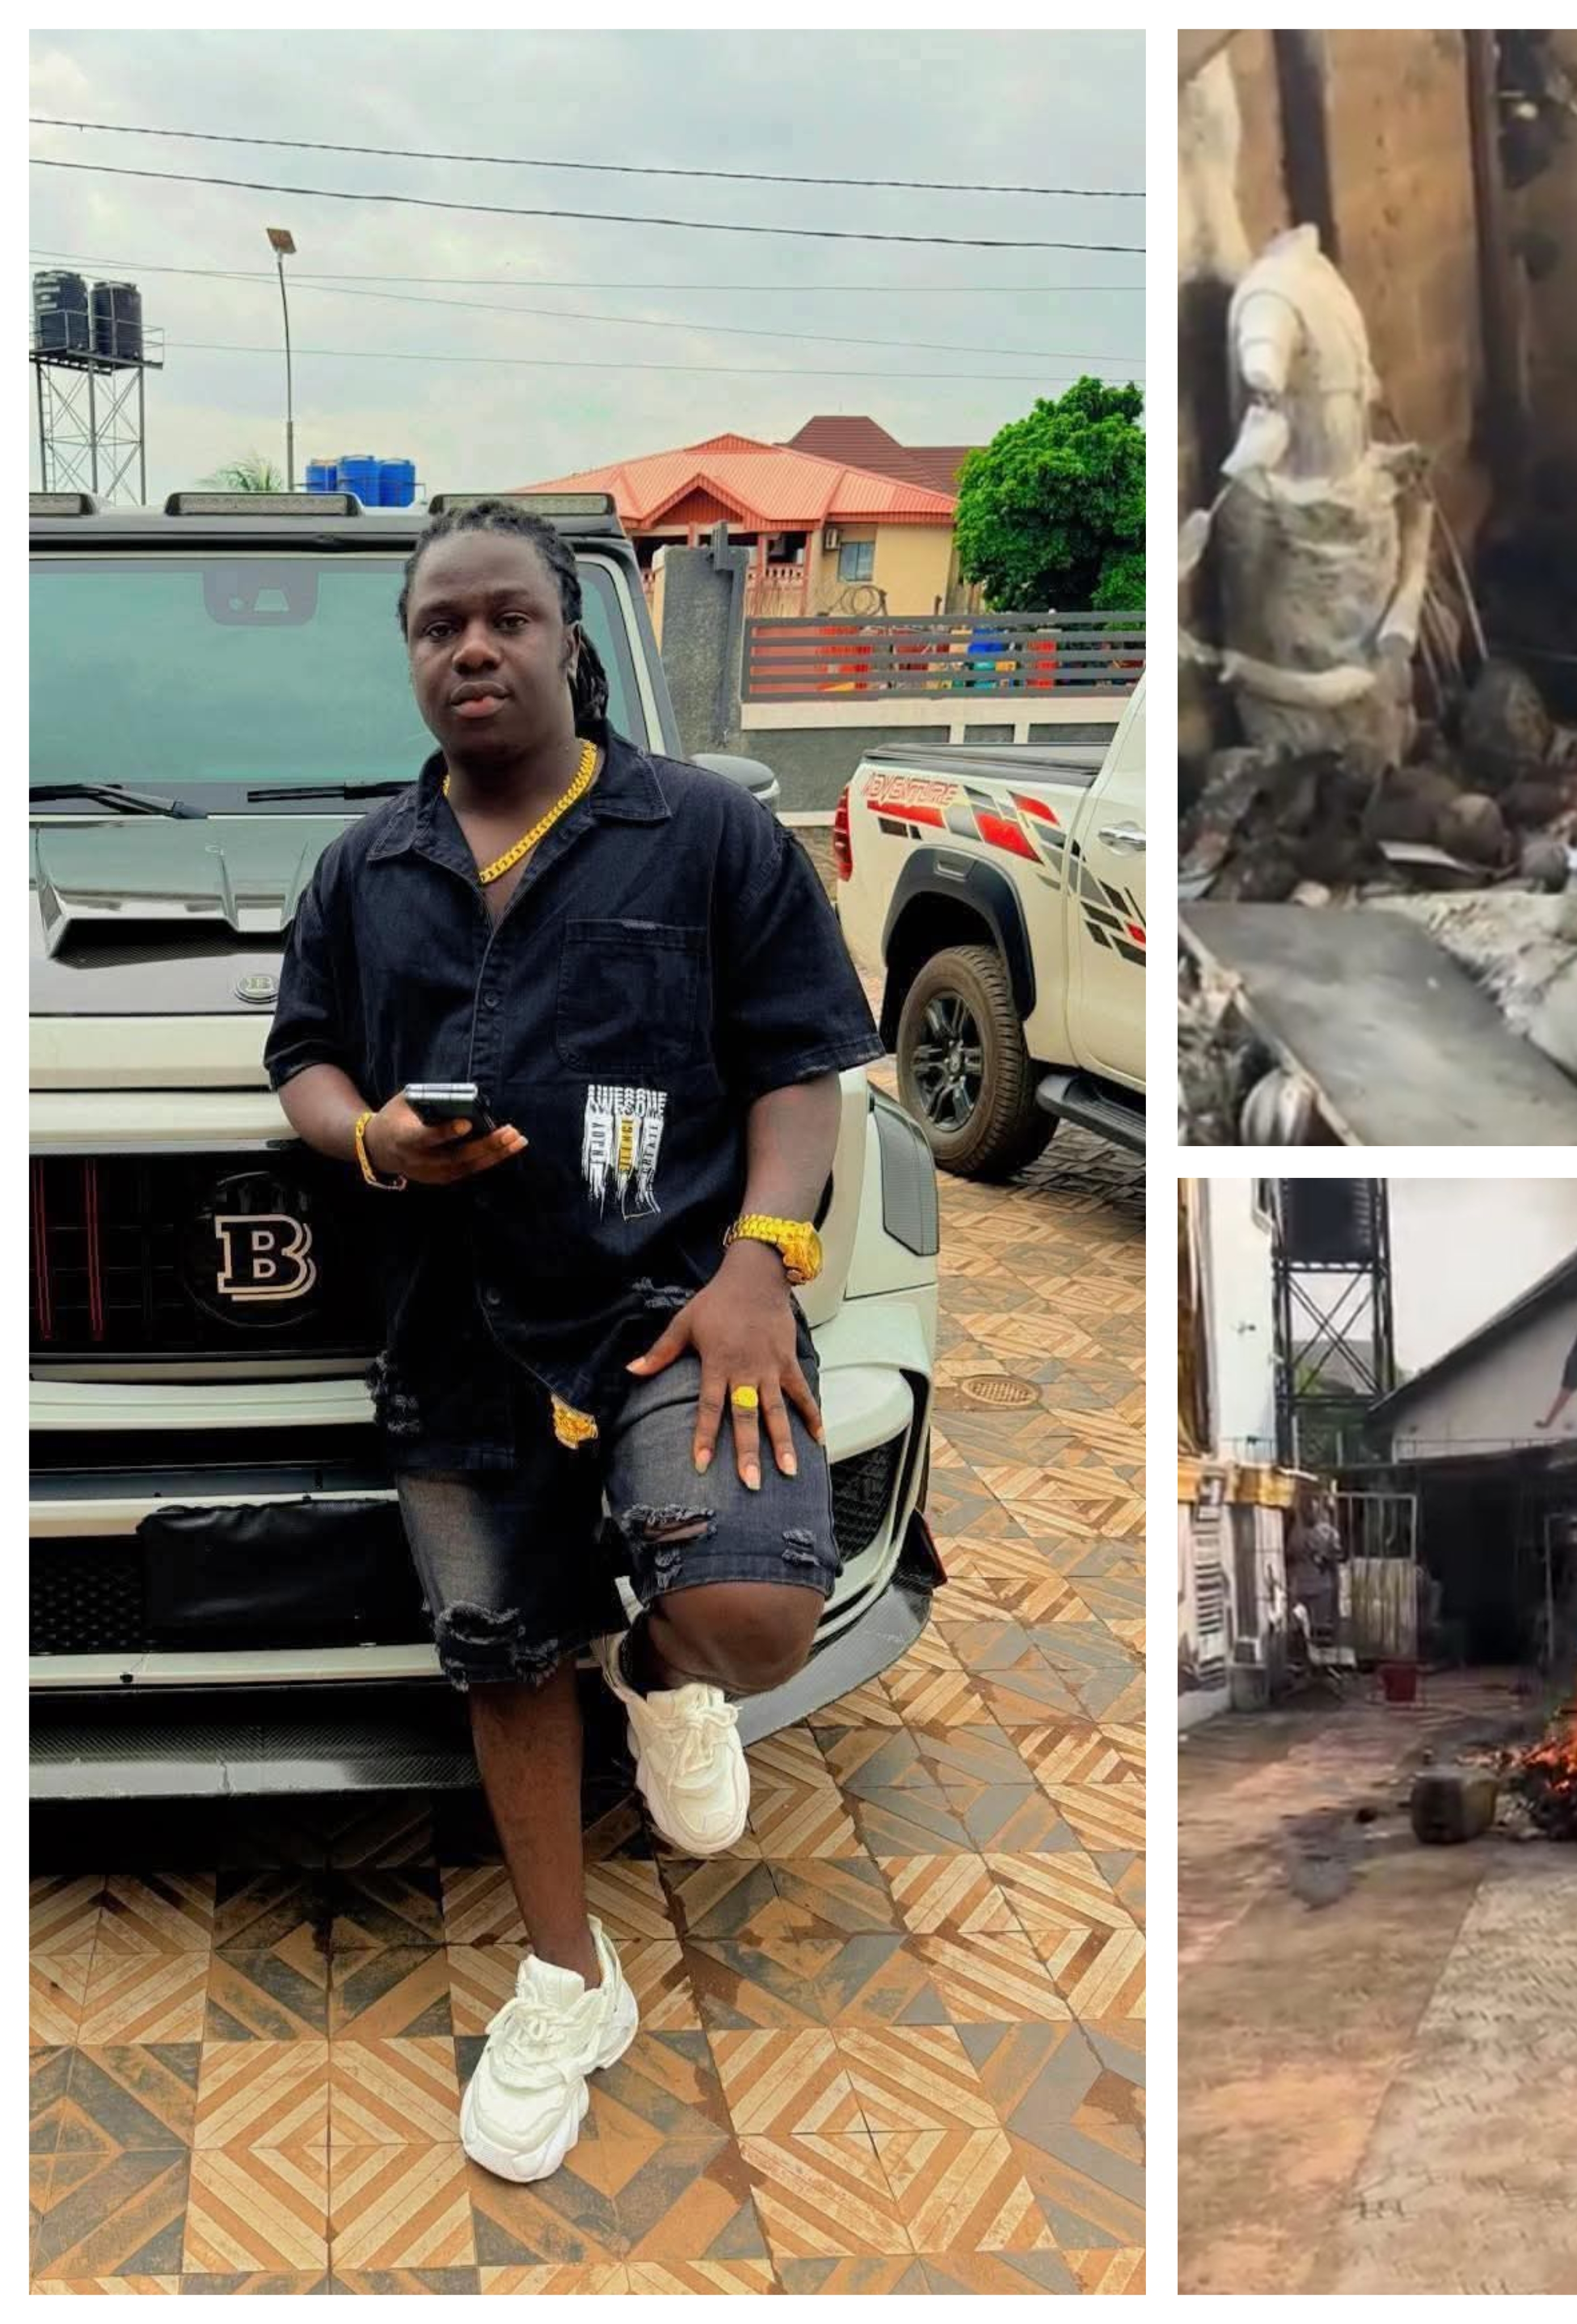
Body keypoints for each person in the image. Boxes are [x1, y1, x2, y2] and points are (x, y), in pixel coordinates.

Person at [264, 499, 882, 2183]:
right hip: (453, 1333)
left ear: (568, 640)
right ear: (412, 658)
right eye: (438, 627)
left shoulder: (701, 837)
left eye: (506, 619)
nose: (472, 648)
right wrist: (373, 1139)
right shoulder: (364, 870)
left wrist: (767, 1256)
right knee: (497, 1650)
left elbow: (799, 1066)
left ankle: (664, 1674)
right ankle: (564, 1976)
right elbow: (305, 1057)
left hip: (676, 1309)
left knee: (754, 1604)